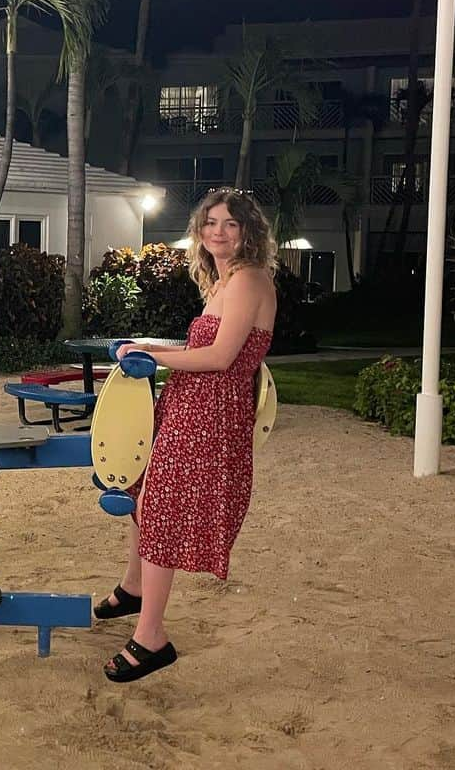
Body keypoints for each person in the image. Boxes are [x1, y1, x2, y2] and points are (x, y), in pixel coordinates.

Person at [95, 188, 278, 682]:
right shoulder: (226, 282)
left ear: (248, 232)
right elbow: (208, 346)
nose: (218, 231)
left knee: (162, 513)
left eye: (230, 224)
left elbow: (220, 359)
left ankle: (152, 637)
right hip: (190, 406)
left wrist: (152, 357)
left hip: (210, 415)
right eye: (210, 222)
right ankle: (134, 588)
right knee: (143, 492)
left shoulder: (247, 281)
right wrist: (150, 345)